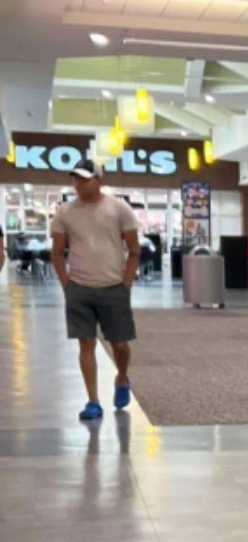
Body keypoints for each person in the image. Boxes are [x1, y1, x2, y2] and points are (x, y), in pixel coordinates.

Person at [50, 161, 140, 420]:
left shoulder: (119, 209)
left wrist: (126, 284)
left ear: (98, 180)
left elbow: (134, 249)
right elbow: (57, 251)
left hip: (114, 287)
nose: (78, 183)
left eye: (84, 179)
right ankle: (93, 401)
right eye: (75, 179)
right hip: (79, 288)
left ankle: (121, 377)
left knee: (119, 344)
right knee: (86, 344)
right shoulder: (65, 212)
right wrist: (66, 284)